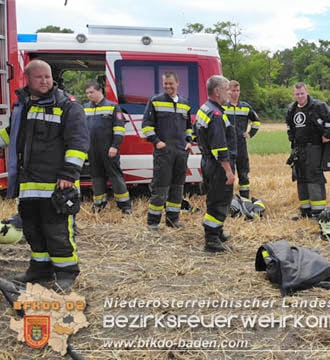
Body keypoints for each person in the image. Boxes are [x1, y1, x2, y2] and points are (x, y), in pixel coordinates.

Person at [0, 59, 89, 291]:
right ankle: (39, 269)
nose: (44, 81)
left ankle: (66, 273)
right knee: (33, 229)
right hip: (29, 184)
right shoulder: (23, 106)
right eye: (39, 77)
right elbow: (12, 135)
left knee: (57, 230)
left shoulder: (68, 106)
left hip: (57, 183)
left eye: (47, 76)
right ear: (27, 80)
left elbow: (78, 141)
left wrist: (69, 172)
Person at [141, 72, 193, 230]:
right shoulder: (155, 101)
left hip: (181, 152)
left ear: (178, 83)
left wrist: (189, 142)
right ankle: (153, 222)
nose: (168, 86)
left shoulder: (185, 103)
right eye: (165, 84)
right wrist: (156, 142)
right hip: (164, 152)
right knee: (161, 187)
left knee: (178, 187)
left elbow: (189, 127)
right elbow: (146, 126)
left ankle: (172, 220)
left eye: (171, 83)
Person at [285, 82, 330, 219]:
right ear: (294, 94)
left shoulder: (318, 106)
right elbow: (289, 126)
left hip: (315, 147)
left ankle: (318, 212)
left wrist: (327, 134)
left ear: (307, 92)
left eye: (302, 93)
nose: (300, 96)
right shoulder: (292, 109)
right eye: (297, 94)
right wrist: (292, 139)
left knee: (314, 177)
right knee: (301, 177)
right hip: (299, 149)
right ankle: (305, 211)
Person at [196, 75, 235, 252]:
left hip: (208, 162)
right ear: (217, 92)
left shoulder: (205, 108)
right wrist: (228, 170)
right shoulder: (216, 114)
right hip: (219, 165)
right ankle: (211, 240)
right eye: (227, 89)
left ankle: (216, 231)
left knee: (213, 199)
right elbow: (220, 147)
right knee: (220, 201)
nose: (230, 93)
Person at [84, 81, 131, 214]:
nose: (89, 95)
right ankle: (99, 204)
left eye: (91, 92)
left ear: (100, 91)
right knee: (96, 177)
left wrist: (115, 146)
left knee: (115, 176)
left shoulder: (112, 107)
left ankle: (125, 206)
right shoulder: (85, 108)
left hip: (109, 148)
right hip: (92, 150)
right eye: (87, 93)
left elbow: (119, 129)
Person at [223, 80, 260, 199]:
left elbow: (256, 121)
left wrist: (250, 133)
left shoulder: (245, 107)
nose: (235, 93)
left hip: (241, 145)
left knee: (244, 173)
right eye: (233, 90)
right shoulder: (222, 106)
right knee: (228, 174)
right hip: (227, 145)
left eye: (237, 91)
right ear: (227, 91)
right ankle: (228, 200)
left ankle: (245, 199)